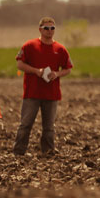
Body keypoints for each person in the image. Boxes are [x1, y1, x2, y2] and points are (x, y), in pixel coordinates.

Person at [13, 16, 73, 157]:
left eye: (52, 28)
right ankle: (18, 152)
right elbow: (19, 64)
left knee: (49, 127)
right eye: (46, 28)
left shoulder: (60, 49)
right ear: (40, 29)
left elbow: (68, 68)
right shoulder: (29, 46)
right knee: (25, 124)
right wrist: (36, 71)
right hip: (32, 93)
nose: (49, 31)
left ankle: (48, 152)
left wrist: (57, 74)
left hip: (51, 94)